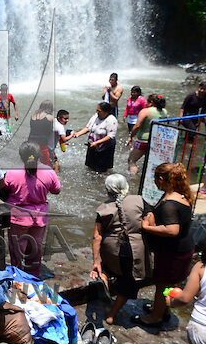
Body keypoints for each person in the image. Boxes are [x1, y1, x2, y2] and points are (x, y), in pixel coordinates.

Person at [134, 162, 195, 327]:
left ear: (161, 179)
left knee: (162, 284)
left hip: (173, 252)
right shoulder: (181, 195)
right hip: (182, 248)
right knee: (167, 283)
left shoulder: (169, 203)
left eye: (156, 179)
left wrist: (147, 227)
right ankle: (163, 310)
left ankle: (156, 317)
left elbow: (172, 229)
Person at [90, 174, 149, 325]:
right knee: (128, 281)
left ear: (107, 190)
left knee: (108, 266)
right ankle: (111, 315)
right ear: (126, 187)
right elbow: (150, 220)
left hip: (112, 250)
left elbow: (97, 236)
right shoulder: (139, 200)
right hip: (135, 249)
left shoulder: (103, 209)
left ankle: (104, 277)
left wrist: (96, 261)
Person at [0, 141, 61, 276]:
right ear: (38, 156)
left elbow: (5, 189)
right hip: (39, 218)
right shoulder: (48, 171)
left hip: (18, 218)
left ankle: (18, 276)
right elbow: (56, 190)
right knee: (35, 249)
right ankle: (33, 276)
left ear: (21, 156)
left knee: (16, 250)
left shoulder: (12, 172)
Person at [70, 101, 118, 173]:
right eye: (97, 110)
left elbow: (110, 136)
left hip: (105, 147)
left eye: (99, 111)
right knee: (90, 166)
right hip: (93, 145)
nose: (97, 112)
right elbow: (87, 128)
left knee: (102, 169)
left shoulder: (111, 120)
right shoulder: (95, 116)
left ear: (106, 112)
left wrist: (97, 142)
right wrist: (78, 134)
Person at [127, 94, 167, 174]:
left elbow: (137, 126)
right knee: (150, 162)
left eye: (147, 101)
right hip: (156, 141)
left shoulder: (145, 111)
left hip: (143, 141)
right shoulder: (164, 112)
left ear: (151, 102)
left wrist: (130, 136)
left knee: (132, 161)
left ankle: (134, 179)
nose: (145, 103)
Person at [27, 99, 56, 166]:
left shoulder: (33, 116)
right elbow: (50, 132)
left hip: (30, 142)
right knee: (45, 163)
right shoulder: (50, 117)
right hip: (42, 143)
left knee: (31, 162)